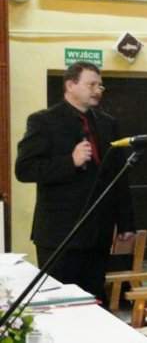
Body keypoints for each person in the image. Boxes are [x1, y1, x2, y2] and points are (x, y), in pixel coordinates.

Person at [15, 62, 135, 304]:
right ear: (70, 85)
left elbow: (118, 175)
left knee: (93, 302)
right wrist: (70, 161)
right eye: (91, 84)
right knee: (60, 303)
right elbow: (24, 169)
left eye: (100, 85)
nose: (98, 90)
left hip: (98, 232)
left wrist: (126, 222)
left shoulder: (108, 123)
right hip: (60, 233)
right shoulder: (43, 121)